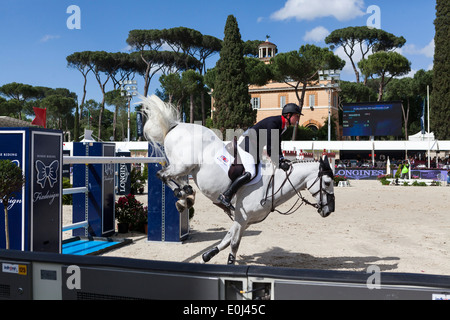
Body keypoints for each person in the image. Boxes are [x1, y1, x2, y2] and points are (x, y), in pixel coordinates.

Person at [217, 103, 302, 210]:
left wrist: (281, 158)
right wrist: (279, 162)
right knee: (251, 172)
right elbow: (271, 145)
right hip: (246, 144)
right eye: (297, 116)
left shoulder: (282, 125)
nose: (298, 119)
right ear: (288, 115)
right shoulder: (274, 123)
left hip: (254, 147)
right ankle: (226, 195)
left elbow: (277, 143)